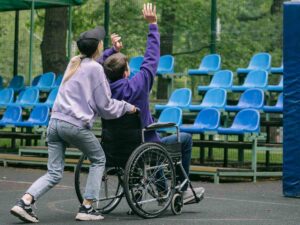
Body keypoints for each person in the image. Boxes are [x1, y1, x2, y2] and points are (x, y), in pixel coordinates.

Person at [10, 26, 136, 223]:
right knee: (99, 159)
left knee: (54, 173)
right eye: (102, 43)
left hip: (54, 124)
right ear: (98, 46)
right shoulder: (95, 69)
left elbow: (95, 61)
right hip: (74, 125)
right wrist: (127, 107)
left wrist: (112, 51)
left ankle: (25, 202)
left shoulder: (74, 62)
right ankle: (87, 207)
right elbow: (106, 107)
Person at [98, 3, 204, 204]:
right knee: (184, 139)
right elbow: (151, 59)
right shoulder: (137, 86)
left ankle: (156, 187)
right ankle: (182, 187)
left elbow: (98, 67)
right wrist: (153, 25)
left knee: (149, 147)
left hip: (116, 147)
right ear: (127, 72)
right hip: (144, 143)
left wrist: (111, 51)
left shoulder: (102, 89)